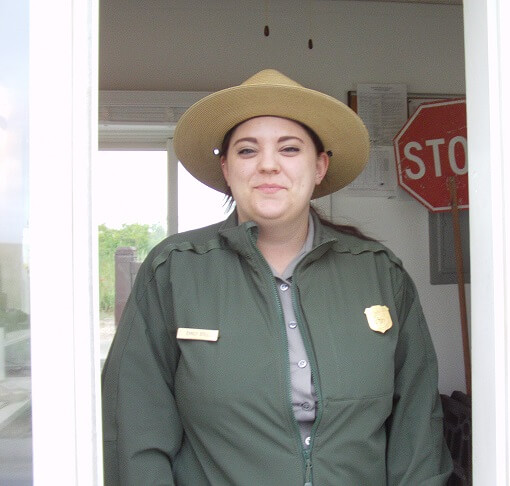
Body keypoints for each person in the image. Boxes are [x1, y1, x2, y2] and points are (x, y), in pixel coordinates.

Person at [101, 69, 453, 486]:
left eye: (289, 149)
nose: (268, 165)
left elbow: (418, 427)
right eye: (247, 151)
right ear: (227, 169)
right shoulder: (174, 269)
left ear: (319, 166)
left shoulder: (378, 272)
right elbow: (135, 425)